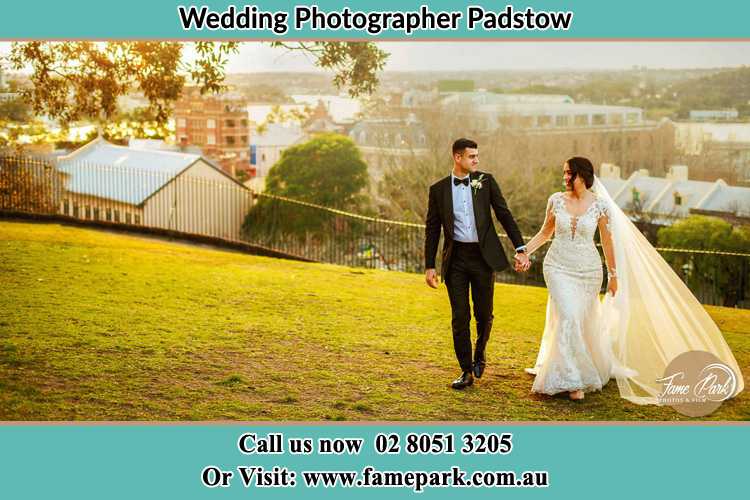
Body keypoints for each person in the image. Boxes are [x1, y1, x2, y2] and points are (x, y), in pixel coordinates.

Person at [520, 157, 744, 404]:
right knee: (569, 316)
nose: (564, 177)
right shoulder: (555, 200)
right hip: (558, 267)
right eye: (564, 173)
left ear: (582, 175)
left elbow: (607, 241)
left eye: (568, 173)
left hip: (588, 271)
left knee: (578, 320)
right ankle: (572, 379)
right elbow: (545, 232)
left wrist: (613, 275)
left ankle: (577, 370)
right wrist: (524, 252)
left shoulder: (600, 205)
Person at [424, 138, 528, 390]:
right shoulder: (438, 190)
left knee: (483, 313)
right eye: (471, 156)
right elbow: (432, 229)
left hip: (483, 258)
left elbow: (504, 215)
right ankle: (466, 370)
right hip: (456, 259)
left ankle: (480, 352)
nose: (476, 160)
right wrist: (430, 265)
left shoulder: (486, 181)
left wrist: (521, 247)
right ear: (457, 158)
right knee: (460, 317)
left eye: (477, 156)